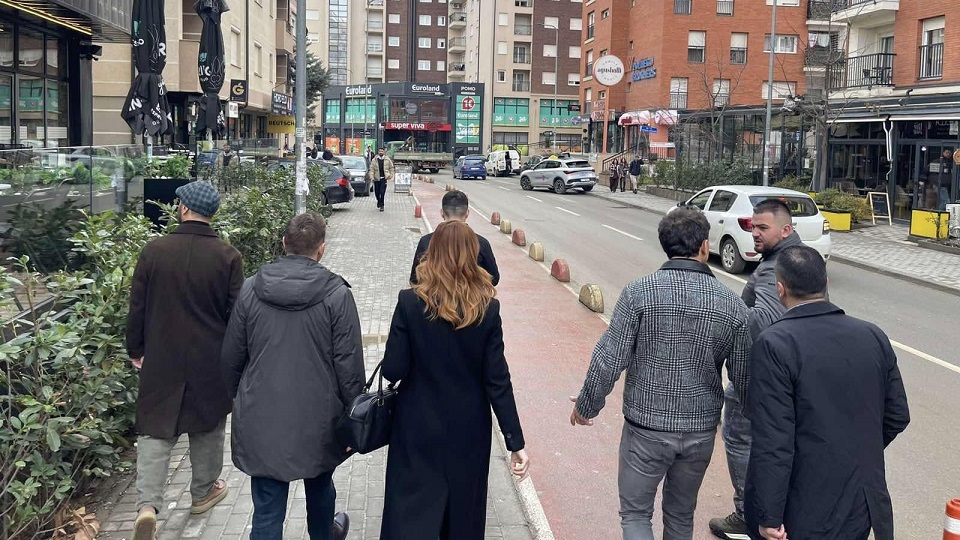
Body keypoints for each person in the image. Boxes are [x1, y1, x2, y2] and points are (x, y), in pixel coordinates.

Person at [571, 208, 751, 540]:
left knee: (636, 515)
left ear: (665, 245)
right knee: (681, 515)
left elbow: (609, 357)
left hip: (645, 428)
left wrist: (586, 406)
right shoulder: (733, 305)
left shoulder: (639, 293)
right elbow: (745, 380)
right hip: (699, 432)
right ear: (704, 247)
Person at [744, 245, 910, 540]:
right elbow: (897, 415)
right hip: (862, 500)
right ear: (826, 283)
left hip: (804, 503)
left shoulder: (774, 344)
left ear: (780, 289)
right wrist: (851, 452)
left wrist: (768, 514)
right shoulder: (872, 335)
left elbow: (774, 439)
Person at [380, 221, 529, 540]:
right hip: (469, 428)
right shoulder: (488, 310)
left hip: (416, 426)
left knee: (410, 511)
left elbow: (393, 370)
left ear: (431, 254)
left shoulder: (409, 303)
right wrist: (515, 442)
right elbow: (498, 380)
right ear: (472, 256)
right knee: (464, 512)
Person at [221, 212, 361, 540]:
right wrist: (353, 421)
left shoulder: (251, 289)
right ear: (321, 248)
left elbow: (231, 358)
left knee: (267, 509)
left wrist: (240, 400)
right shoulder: (337, 294)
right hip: (320, 418)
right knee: (321, 488)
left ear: (284, 243)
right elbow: (349, 366)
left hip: (262, 416)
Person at [126, 180, 244, 540]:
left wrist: (136, 349)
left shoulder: (154, 251)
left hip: (162, 355)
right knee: (208, 424)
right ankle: (203, 492)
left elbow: (137, 307)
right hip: (209, 358)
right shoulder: (228, 256)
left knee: (155, 428)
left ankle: (148, 506)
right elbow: (236, 315)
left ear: (183, 209)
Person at [709, 199, 804, 540]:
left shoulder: (774, 268)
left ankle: (747, 515)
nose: (755, 233)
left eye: (763, 227)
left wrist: (726, 308)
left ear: (786, 229)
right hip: (794, 374)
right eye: (753, 226)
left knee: (739, 439)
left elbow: (763, 322)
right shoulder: (800, 258)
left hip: (759, 375)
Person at [411, 190, 499, 285]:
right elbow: (494, 279)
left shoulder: (427, 241)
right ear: (467, 213)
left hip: (433, 293)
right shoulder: (481, 243)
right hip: (471, 294)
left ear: (442, 213)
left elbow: (415, 279)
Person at [367, 146, 394, 212]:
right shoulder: (374, 160)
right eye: (380, 151)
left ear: (384, 152)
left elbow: (391, 168)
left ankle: (382, 205)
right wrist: (372, 177)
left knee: (382, 192)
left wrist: (390, 175)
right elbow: (371, 169)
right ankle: (379, 201)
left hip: (384, 178)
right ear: (378, 152)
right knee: (377, 193)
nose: (381, 152)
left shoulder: (387, 159)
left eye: (382, 151)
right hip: (376, 179)